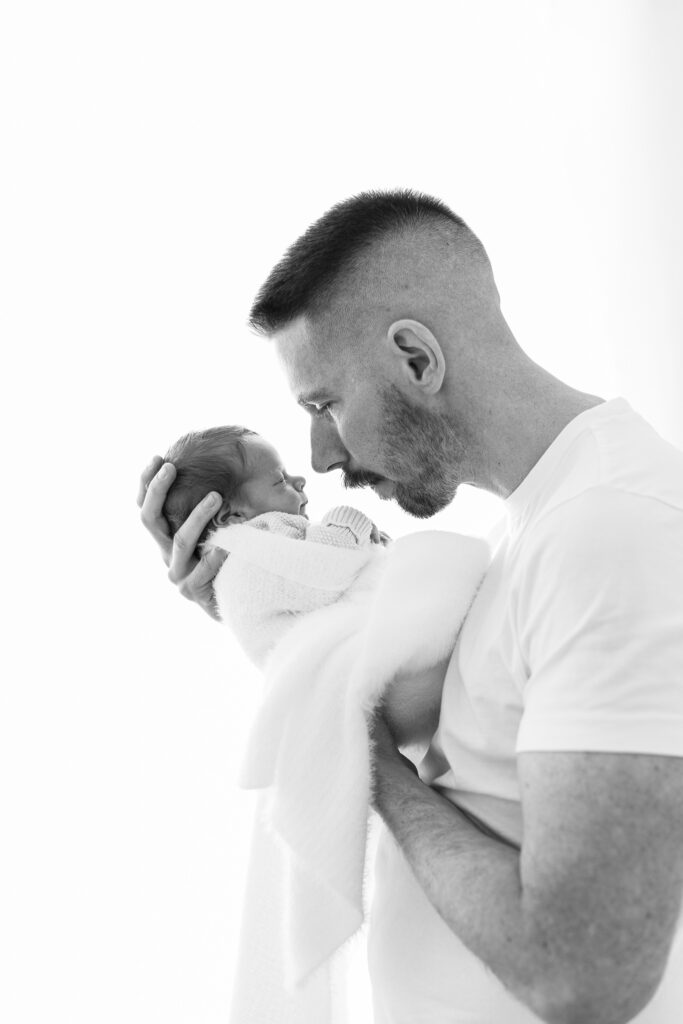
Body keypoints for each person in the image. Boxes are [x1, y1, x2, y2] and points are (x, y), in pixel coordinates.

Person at [138, 189, 683, 1024]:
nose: (320, 458)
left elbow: (583, 975)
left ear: (416, 360)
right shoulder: (532, 531)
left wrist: (366, 762)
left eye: (323, 405)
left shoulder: (607, 532)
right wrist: (269, 620)